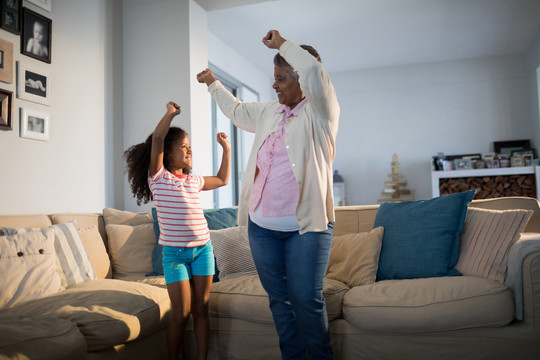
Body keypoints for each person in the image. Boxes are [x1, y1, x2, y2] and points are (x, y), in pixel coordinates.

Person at [197, 29, 339, 360]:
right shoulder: (269, 112)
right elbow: (236, 110)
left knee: (307, 301)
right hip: (262, 228)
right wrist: (213, 84)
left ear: (300, 78)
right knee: (280, 302)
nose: (274, 85)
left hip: (306, 228)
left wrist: (283, 45)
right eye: (273, 78)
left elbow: (316, 73)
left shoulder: (321, 114)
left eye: (280, 78)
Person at [123, 101, 231, 360]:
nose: (189, 150)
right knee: (181, 314)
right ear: (167, 154)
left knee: (202, 310)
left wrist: (226, 149)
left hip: (203, 251)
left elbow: (223, 179)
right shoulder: (159, 178)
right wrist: (170, 114)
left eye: (190, 145)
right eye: (183, 146)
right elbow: (158, 137)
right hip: (174, 255)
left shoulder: (194, 180)